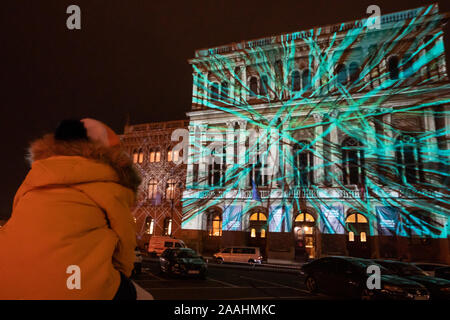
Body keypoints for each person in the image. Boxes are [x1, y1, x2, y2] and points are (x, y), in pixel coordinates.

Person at [0, 119, 142, 299]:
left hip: (7, 280)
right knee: (129, 292)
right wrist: (121, 273)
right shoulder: (109, 182)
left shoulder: (36, 174)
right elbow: (125, 239)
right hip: (74, 285)